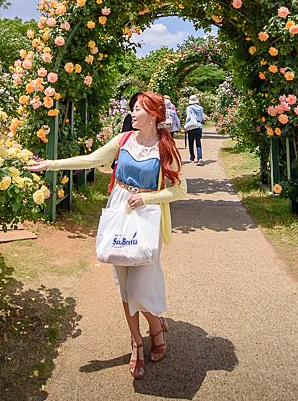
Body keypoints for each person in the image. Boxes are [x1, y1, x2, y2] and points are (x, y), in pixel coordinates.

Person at [26, 92, 186, 380]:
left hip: (147, 217)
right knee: (125, 287)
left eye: (137, 110)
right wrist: (50, 165)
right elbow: (89, 159)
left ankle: (157, 326)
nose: (132, 114)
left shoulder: (166, 149)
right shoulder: (123, 141)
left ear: (153, 115)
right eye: (133, 109)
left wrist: (148, 199)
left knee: (141, 286)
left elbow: (180, 190)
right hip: (120, 210)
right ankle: (137, 342)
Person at [183, 94, 205, 165]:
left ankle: (192, 158)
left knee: (191, 142)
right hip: (198, 126)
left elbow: (188, 118)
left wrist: (186, 126)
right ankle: (200, 158)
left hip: (191, 126)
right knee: (198, 143)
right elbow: (202, 118)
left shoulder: (189, 108)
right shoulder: (201, 108)